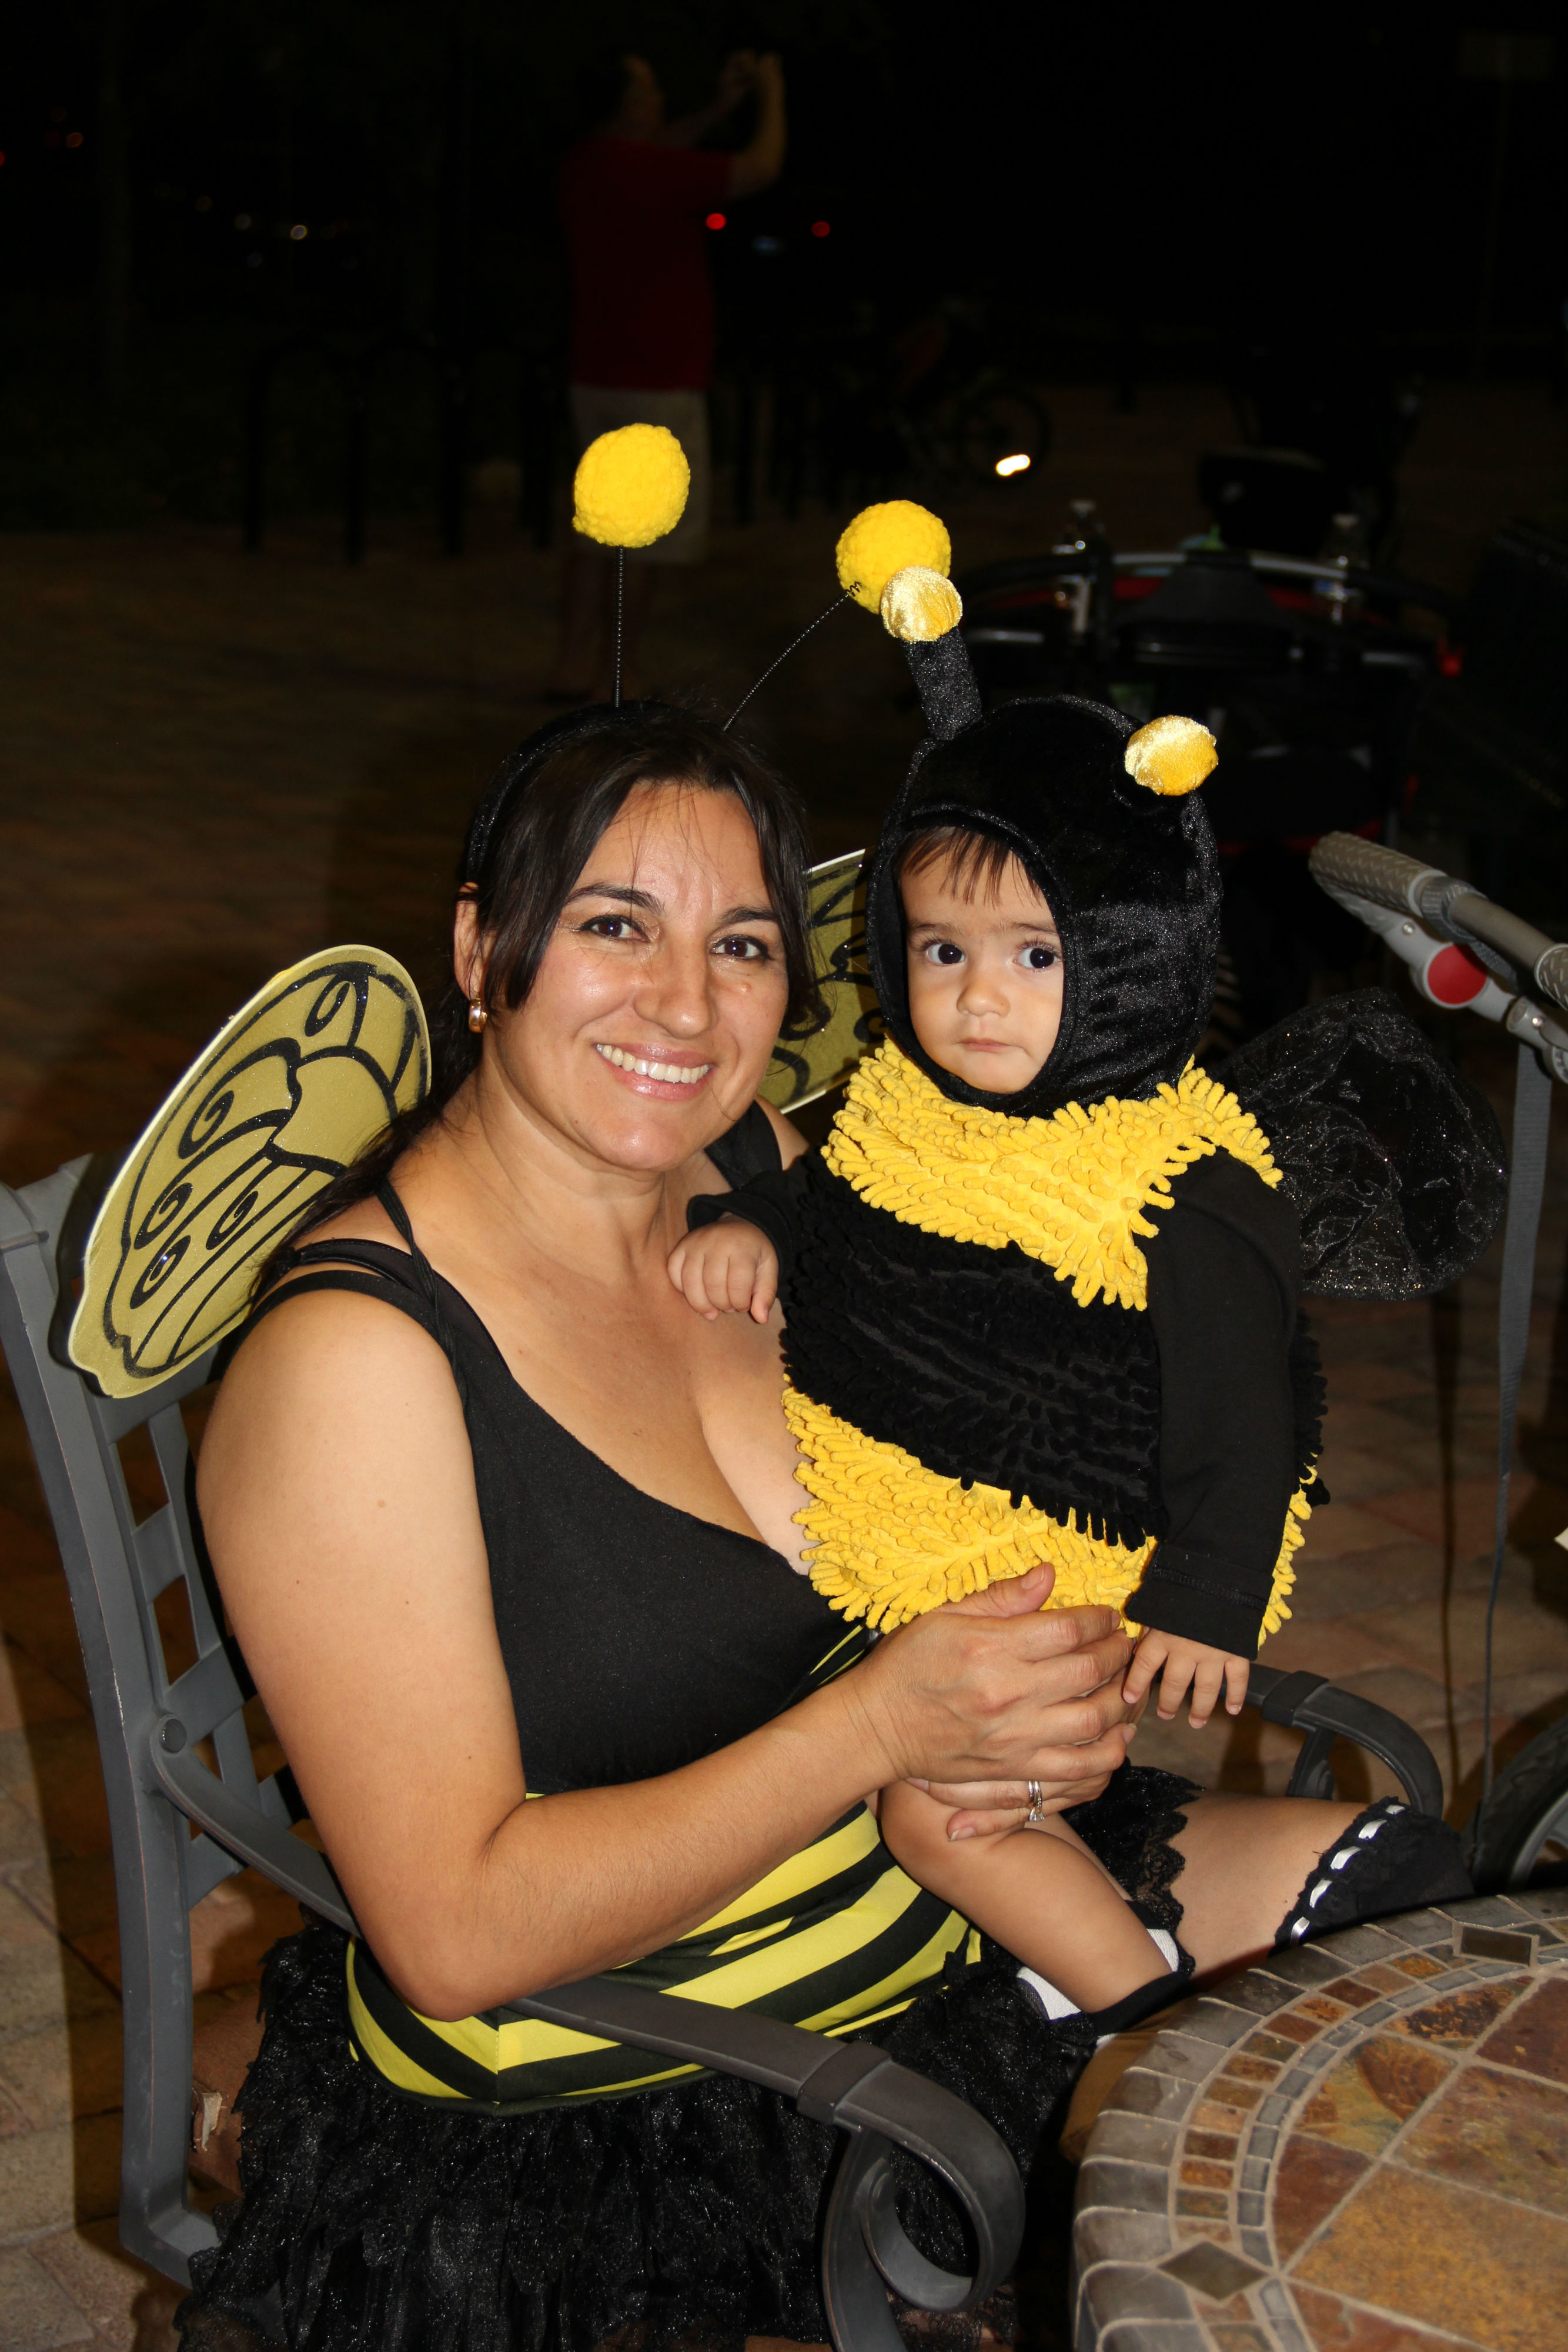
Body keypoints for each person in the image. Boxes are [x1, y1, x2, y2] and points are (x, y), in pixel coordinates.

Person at [175, 700, 1469, 2352]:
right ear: (482, 946)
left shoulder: (784, 1170)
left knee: (1405, 1952)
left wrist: (1063, 1678)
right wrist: (885, 1719)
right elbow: (454, 1937)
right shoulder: (359, 1363)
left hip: (950, 1905)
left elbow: (1022, 1453)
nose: (685, 1004)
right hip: (630, 2109)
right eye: (611, 926)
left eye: (743, 942)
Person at [669, 683, 1478, 2033]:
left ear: (1126, 957)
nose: (980, 1002)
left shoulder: (1174, 1182)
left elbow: (1251, 1400)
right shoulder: (911, 1102)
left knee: (950, 1815)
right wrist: (759, 1218)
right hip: (916, 1549)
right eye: (942, 954)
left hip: (1047, 1580)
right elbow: (849, 1195)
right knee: (937, 1793)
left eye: (1036, 958)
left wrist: (1209, 1598)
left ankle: (1136, 2021)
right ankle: (1043, 1934)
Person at [546, 52, 787, 703]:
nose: (658, 102)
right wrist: (771, 94)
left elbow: (656, 148)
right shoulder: (650, 171)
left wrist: (717, 110)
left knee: (595, 530)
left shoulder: (586, 164)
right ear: (628, 104)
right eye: (650, 91)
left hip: (594, 373)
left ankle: (572, 662)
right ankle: (616, 672)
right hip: (658, 377)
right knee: (643, 538)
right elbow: (762, 167)